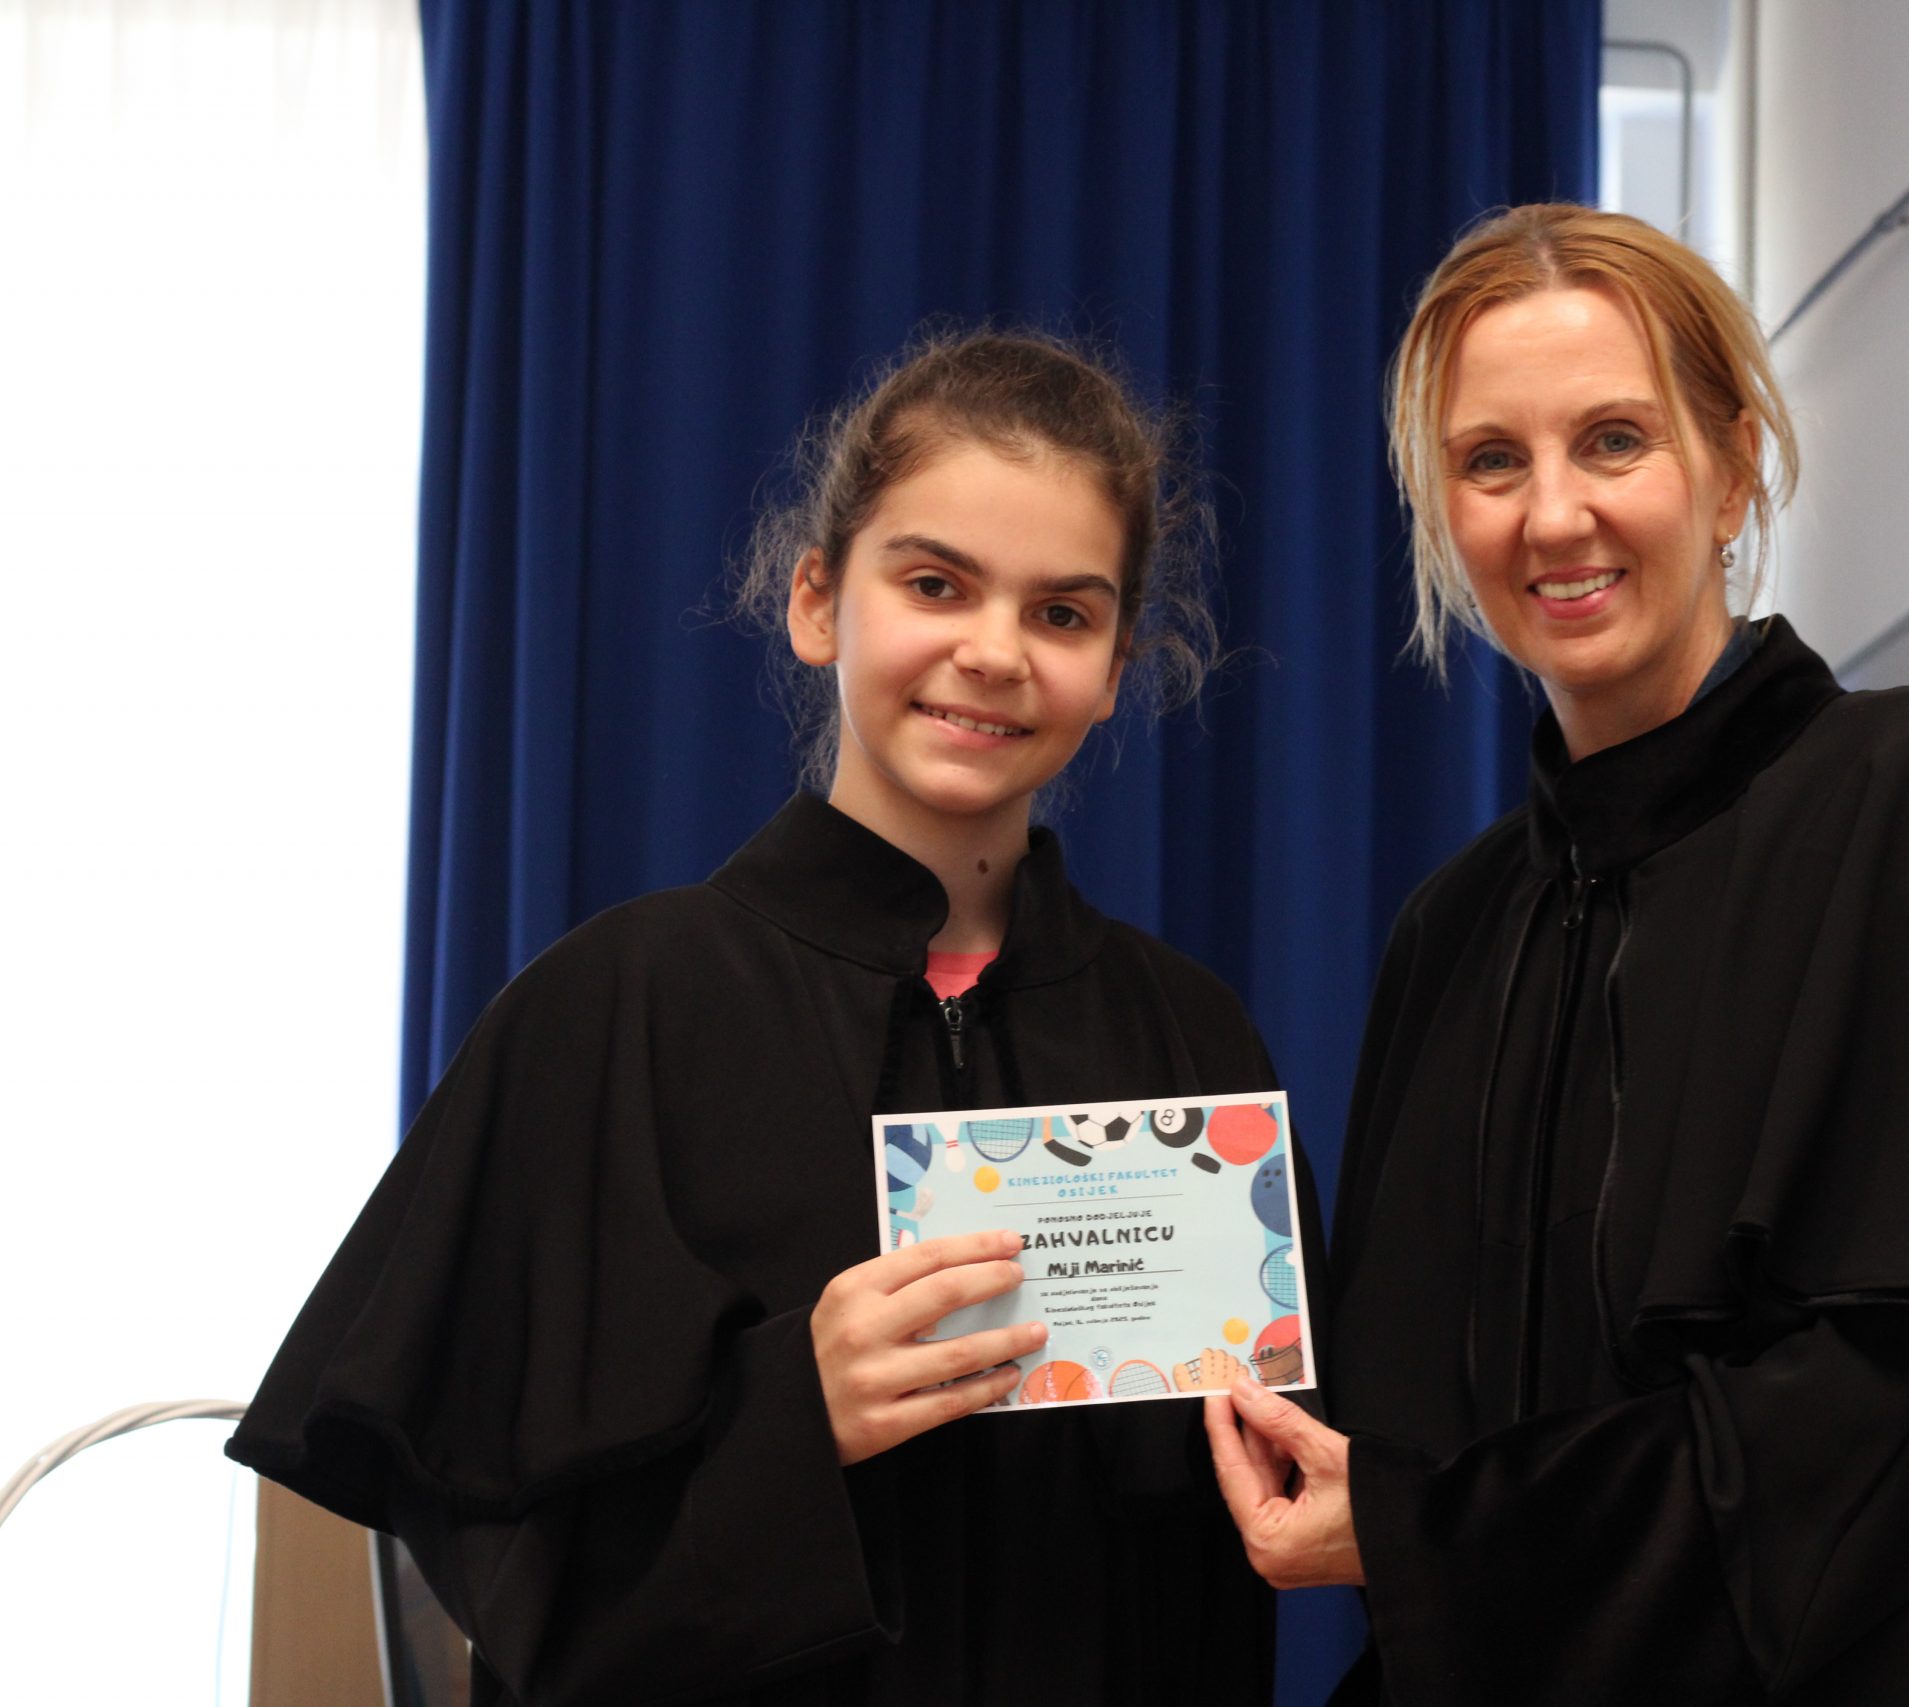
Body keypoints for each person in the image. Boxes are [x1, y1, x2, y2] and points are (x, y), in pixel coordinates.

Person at [1204, 205, 1909, 1705]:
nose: (1554, 516)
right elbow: (1419, 1438)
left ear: (1733, 471)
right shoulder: (1451, 935)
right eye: (1492, 461)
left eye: (1615, 441)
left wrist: (1422, 1536)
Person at [230, 331, 1311, 1706]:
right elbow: (500, 1560)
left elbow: (1237, 1554)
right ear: (817, 602)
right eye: (935, 584)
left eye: (1061, 613)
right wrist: (796, 1418)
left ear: (1113, 667)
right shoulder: (612, 1013)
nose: (993, 652)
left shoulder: (1191, 1044)